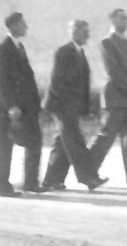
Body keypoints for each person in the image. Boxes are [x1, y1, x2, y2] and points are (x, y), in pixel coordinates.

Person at [88, 9, 127, 188]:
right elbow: (113, 71)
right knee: (106, 136)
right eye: (122, 18)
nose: (125, 21)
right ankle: (88, 172)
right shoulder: (107, 43)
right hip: (116, 97)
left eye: (126, 18)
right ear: (112, 20)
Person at [43, 19, 105, 191]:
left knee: (63, 142)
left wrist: (83, 107)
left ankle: (51, 179)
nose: (88, 35)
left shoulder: (80, 52)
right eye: (85, 32)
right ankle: (89, 177)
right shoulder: (64, 52)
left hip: (73, 106)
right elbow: (57, 81)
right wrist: (63, 106)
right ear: (74, 32)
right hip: (62, 106)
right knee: (75, 140)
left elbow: (83, 83)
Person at [0, 11, 42, 196]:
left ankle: (31, 183)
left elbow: (27, 78)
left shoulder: (20, 47)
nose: (26, 27)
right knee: (5, 147)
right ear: (14, 26)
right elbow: (1, 81)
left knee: (34, 142)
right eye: (23, 24)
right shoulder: (3, 48)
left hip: (27, 107)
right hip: (10, 108)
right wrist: (11, 106)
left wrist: (35, 103)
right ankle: (3, 185)